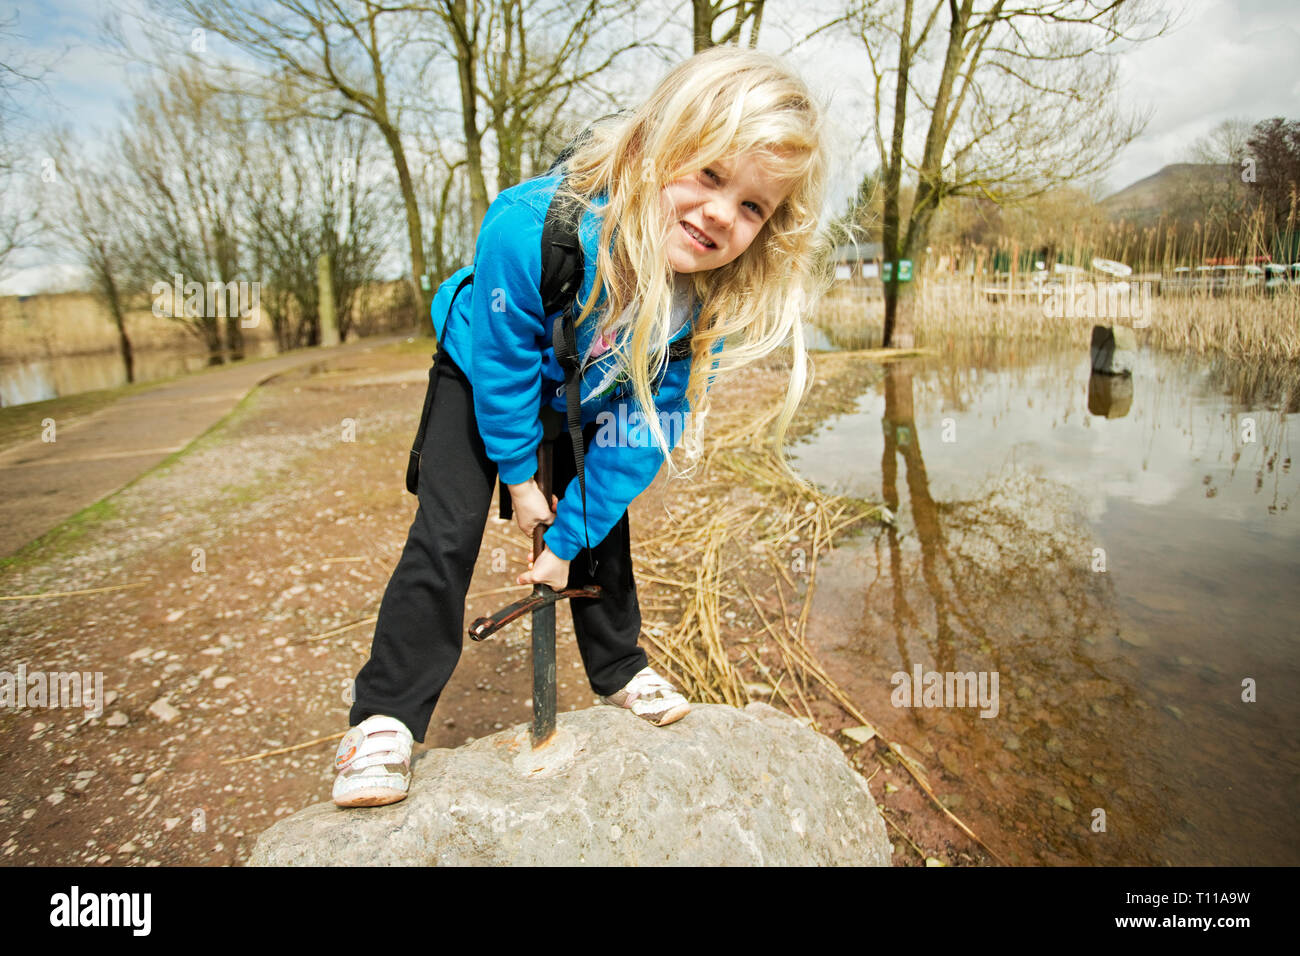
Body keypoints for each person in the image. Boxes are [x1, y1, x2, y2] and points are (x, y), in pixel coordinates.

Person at [332, 45, 831, 808]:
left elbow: (640, 438)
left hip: (590, 390)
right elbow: (501, 367)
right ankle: (385, 716)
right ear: (655, 145)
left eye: (753, 206)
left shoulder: (706, 305)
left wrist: (564, 539)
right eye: (709, 174)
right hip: (485, 368)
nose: (721, 215)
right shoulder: (528, 226)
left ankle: (620, 666)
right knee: (448, 527)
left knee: (603, 523)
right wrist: (523, 481)